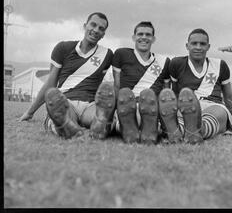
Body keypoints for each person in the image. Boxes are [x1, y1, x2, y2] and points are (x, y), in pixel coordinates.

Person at [19, 12, 116, 140]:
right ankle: (65, 125)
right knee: (61, 114)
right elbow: (51, 83)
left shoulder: (107, 55)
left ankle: (101, 124)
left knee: (101, 117)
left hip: (90, 105)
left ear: (103, 35)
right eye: (93, 25)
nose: (96, 30)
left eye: (101, 29)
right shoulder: (63, 48)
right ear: (85, 26)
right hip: (65, 101)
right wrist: (30, 112)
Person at [158, 28, 232, 144]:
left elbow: (229, 98)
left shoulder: (220, 65)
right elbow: (175, 93)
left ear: (208, 46)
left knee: (216, 113)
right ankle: (178, 130)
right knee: (182, 116)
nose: (198, 47)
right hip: (185, 106)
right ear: (187, 46)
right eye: (194, 43)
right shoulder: (177, 63)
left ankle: (194, 131)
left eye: (202, 44)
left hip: (212, 105)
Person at [112, 21, 182, 144]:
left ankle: (142, 128)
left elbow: (165, 93)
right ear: (134, 37)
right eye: (140, 34)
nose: (144, 37)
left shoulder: (164, 61)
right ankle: (148, 129)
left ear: (153, 39)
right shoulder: (121, 54)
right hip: (129, 105)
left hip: (153, 108)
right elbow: (117, 86)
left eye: (148, 35)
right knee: (129, 113)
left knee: (152, 107)